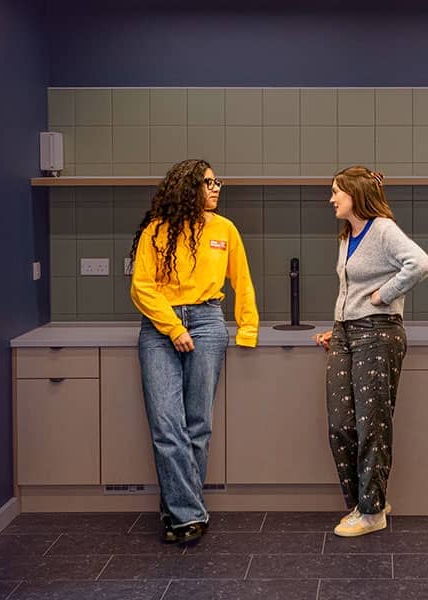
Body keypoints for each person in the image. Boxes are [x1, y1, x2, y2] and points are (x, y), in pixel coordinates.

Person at [130, 159, 258, 544]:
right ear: (188, 187)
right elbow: (141, 286)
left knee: (198, 425)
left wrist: (248, 329)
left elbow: (242, 281)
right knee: (166, 425)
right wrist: (173, 327)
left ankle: (178, 515)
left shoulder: (224, 229)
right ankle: (190, 514)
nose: (216, 188)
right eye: (208, 183)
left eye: (217, 182)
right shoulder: (156, 230)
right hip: (159, 328)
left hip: (208, 321)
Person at [313, 166, 428, 537]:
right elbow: (349, 289)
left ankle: (372, 511)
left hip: (378, 334)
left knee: (372, 426)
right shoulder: (346, 235)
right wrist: (339, 324)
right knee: (341, 426)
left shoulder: (382, 229)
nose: (331, 199)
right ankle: (365, 502)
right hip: (347, 333)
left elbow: (420, 263)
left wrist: (385, 294)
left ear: (355, 194)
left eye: (336, 192)